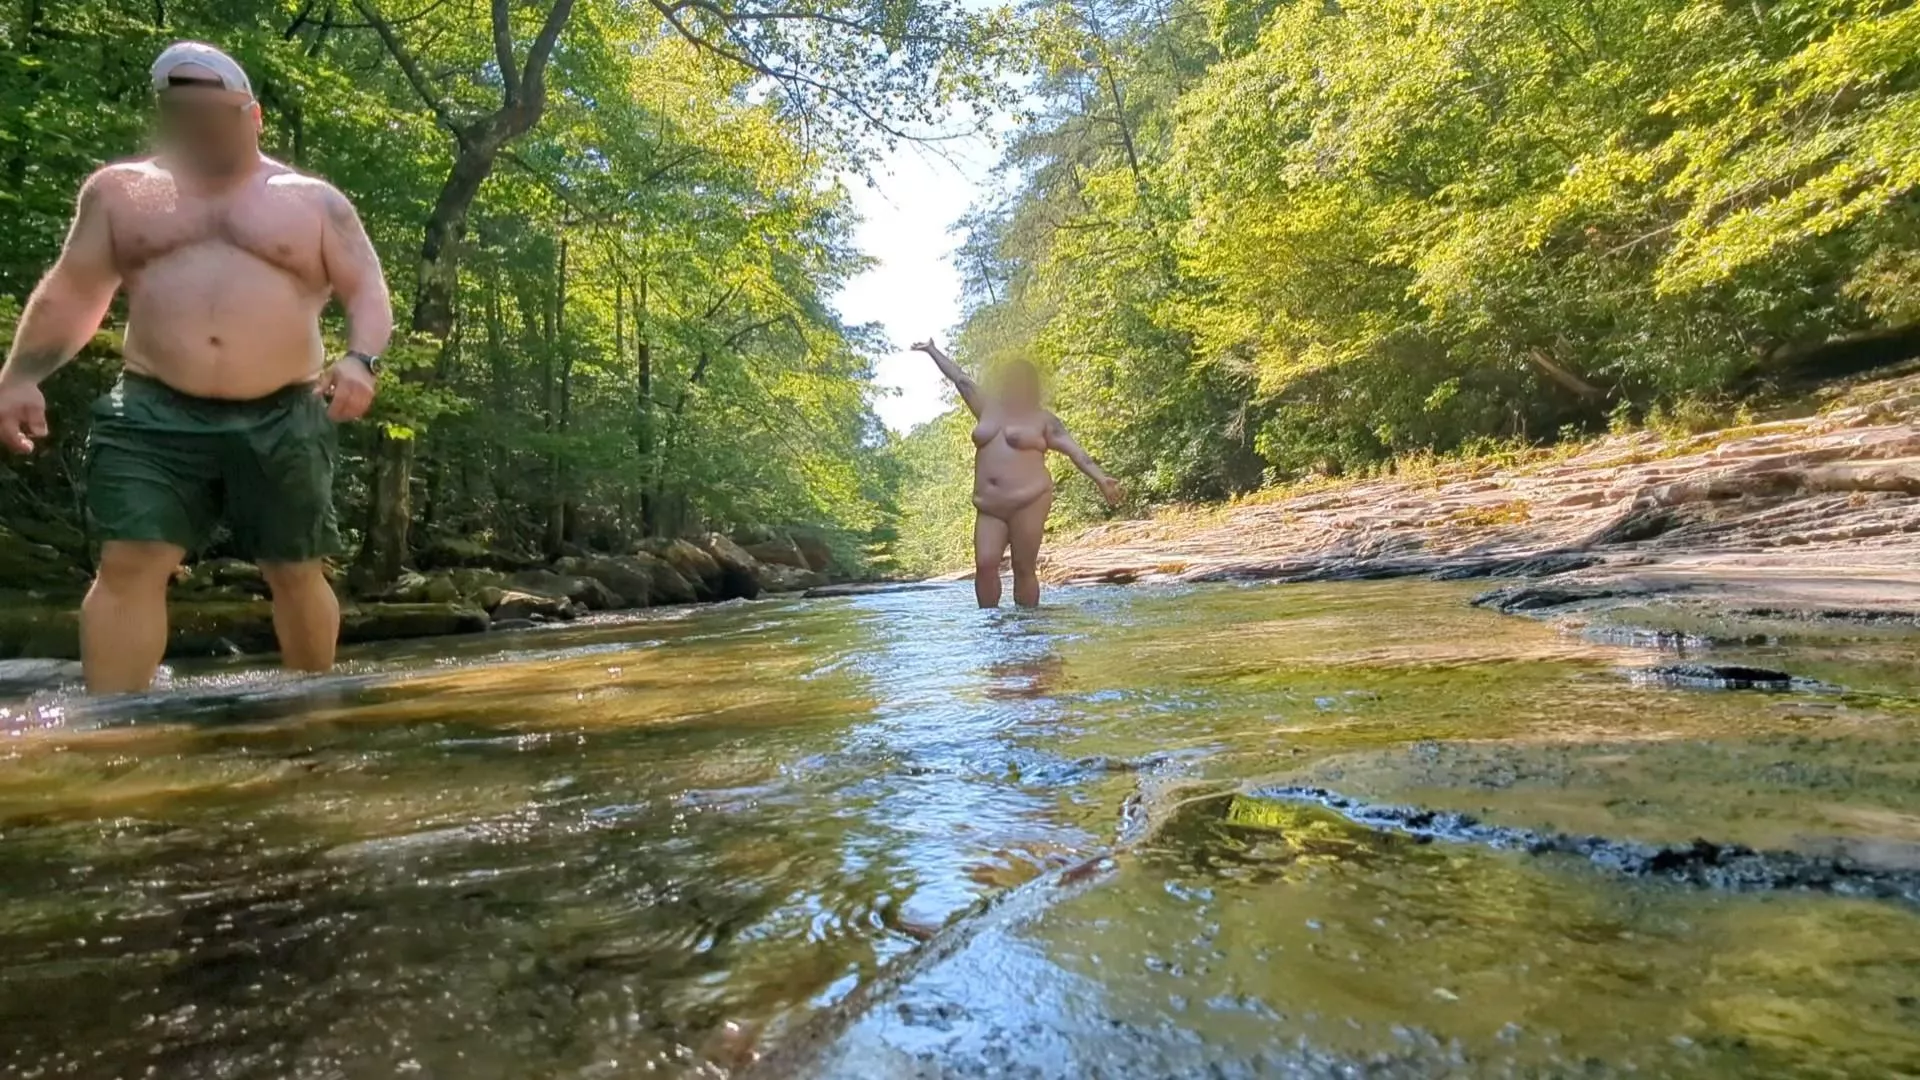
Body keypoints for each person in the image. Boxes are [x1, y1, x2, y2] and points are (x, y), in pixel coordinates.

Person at [0, 42, 392, 693]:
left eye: (218, 112)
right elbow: (74, 291)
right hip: (152, 409)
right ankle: (114, 731)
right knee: (131, 559)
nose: (201, 125)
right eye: (184, 112)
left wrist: (361, 359)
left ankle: (312, 715)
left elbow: (368, 292)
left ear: (254, 116)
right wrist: (19, 376)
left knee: (294, 565)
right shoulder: (121, 193)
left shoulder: (314, 202)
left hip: (285, 410)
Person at [912, 338, 1122, 608]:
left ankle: (1027, 626)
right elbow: (960, 379)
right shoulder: (987, 407)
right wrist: (932, 350)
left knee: (1023, 568)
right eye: (1010, 381)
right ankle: (991, 623)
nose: (1014, 386)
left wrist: (1101, 478)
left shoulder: (1043, 420)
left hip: (1029, 501)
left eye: (1020, 382)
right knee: (985, 564)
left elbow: (1075, 452)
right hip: (989, 506)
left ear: (1030, 387)